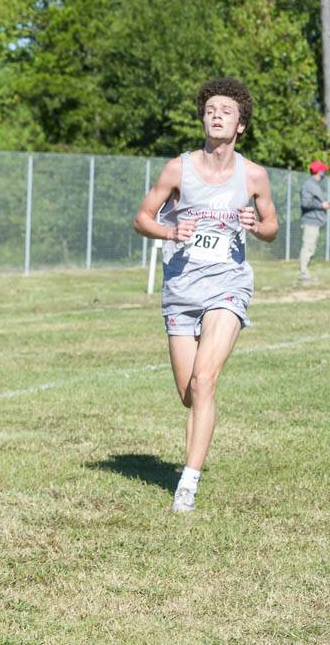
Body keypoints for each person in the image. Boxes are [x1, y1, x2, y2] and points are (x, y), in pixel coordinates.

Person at [132, 77, 278, 512]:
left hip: (228, 284)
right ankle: (201, 434)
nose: (217, 115)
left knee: (205, 379)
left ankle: (188, 484)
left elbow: (272, 227)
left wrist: (257, 225)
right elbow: (142, 219)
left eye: (226, 111)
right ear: (203, 118)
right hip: (181, 288)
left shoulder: (253, 175)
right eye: (211, 109)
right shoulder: (178, 169)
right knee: (189, 393)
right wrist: (169, 229)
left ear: (240, 126)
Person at [298, 160, 329, 282]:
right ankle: (303, 274)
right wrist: (321, 205)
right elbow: (305, 203)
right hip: (311, 221)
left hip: (316, 221)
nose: (324, 173)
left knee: (311, 248)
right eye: (323, 171)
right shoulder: (308, 184)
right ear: (319, 172)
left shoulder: (314, 184)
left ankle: (306, 273)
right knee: (308, 248)